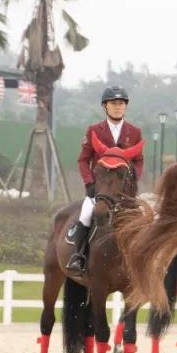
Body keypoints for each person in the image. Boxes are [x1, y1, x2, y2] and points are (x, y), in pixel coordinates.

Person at [66, 86, 144, 273]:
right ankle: (79, 256)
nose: (118, 107)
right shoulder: (94, 130)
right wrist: (89, 182)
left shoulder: (134, 132)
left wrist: (131, 181)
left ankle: (144, 262)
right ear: (105, 107)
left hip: (123, 192)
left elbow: (139, 160)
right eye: (113, 103)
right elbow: (83, 160)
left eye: (121, 103)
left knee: (142, 219)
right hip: (100, 191)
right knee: (85, 213)